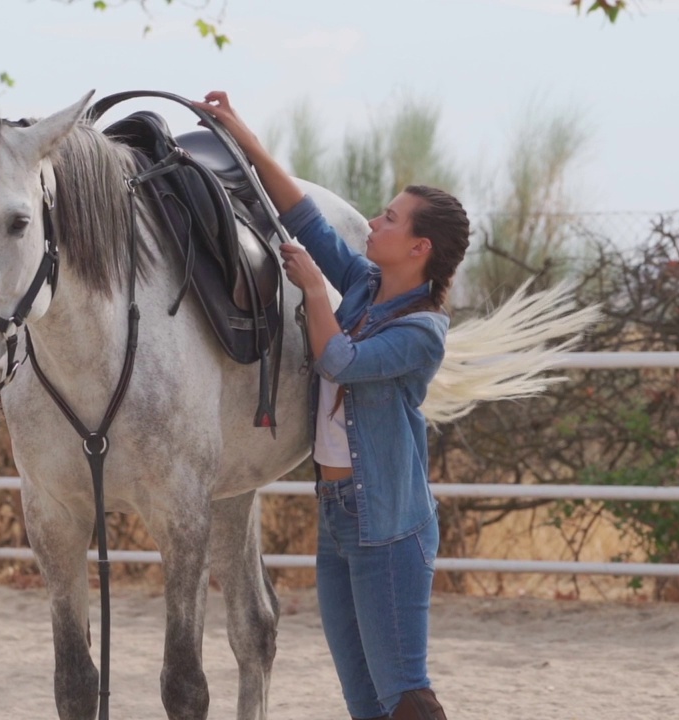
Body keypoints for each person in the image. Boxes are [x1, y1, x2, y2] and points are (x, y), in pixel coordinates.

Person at [194, 91, 468, 720]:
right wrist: (244, 137)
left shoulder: (422, 330)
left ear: (420, 247)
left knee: (406, 695)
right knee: (364, 700)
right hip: (342, 514)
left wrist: (315, 289)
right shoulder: (370, 286)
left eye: (391, 219)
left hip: (389, 527)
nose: (374, 222)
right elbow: (308, 220)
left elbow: (339, 361)